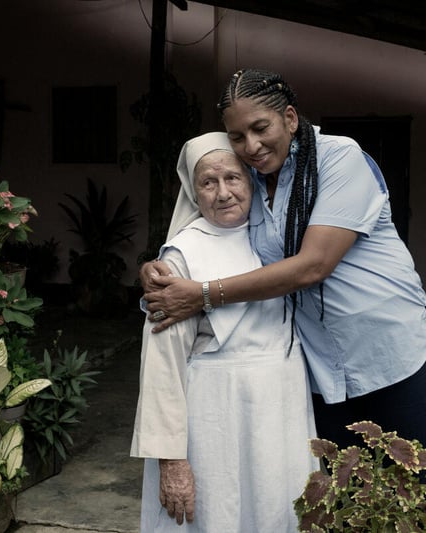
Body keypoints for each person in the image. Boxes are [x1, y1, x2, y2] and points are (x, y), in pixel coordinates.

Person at [142, 68, 426, 457]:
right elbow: (211, 217)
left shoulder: (339, 159)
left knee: (412, 480)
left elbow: (313, 265)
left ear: (290, 118)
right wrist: (163, 262)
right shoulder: (249, 176)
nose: (251, 145)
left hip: (384, 350)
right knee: (336, 486)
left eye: (261, 128)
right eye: (237, 136)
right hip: (319, 366)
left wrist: (204, 294)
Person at [130, 131, 317, 532]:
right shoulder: (182, 255)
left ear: (250, 179)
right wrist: (171, 460)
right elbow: (163, 365)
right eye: (208, 182)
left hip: (281, 409)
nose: (223, 193)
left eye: (232, 178)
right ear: (193, 192)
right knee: (218, 515)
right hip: (216, 416)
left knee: (279, 510)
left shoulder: (281, 235)